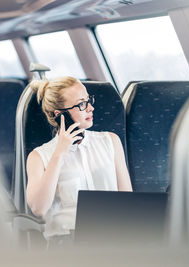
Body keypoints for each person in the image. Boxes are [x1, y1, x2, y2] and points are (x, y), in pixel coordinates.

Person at [26, 76, 132, 247]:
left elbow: (127, 201)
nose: (90, 107)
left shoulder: (111, 141)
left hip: (112, 238)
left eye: (88, 100)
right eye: (82, 104)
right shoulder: (38, 157)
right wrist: (59, 154)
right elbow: (39, 208)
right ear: (60, 115)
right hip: (67, 244)